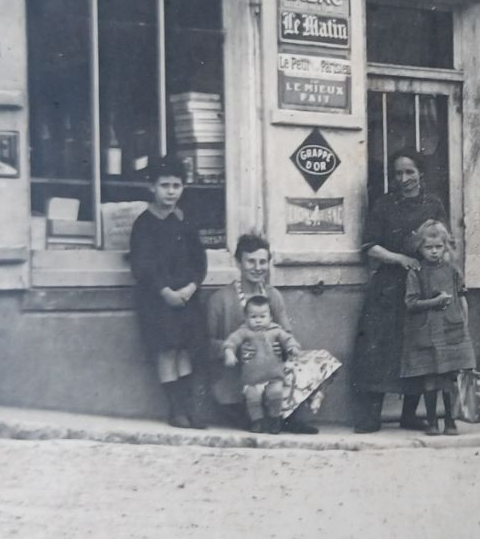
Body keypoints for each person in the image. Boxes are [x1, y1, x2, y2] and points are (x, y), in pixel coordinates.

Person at [354, 149, 449, 433]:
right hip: (388, 287)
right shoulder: (384, 205)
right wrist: (400, 259)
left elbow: (443, 242)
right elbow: (369, 245)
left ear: (421, 173)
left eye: (409, 172)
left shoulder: (433, 205)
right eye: (398, 173)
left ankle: (410, 413)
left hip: (421, 285)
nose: (404, 178)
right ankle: (371, 416)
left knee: (417, 347)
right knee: (377, 349)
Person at [204, 233, 337, 434]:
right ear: (238, 263)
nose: (258, 268)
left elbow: (287, 333)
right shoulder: (220, 299)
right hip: (237, 380)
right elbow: (205, 346)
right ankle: (273, 419)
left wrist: (282, 348)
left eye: (263, 262)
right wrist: (233, 352)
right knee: (249, 407)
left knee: (323, 360)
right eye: (251, 261)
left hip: (270, 373)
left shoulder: (272, 295)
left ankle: (281, 416)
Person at [128, 155, 209, 429]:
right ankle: (175, 410)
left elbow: (200, 261)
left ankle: (188, 409)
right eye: (165, 185)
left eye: (176, 185)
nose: (171, 191)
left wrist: (190, 287)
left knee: (184, 350)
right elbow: (142, 265)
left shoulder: (185, 222)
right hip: (157, 301)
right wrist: (165, 291)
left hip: (187, 299)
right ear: (152, 187)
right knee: (166, 350)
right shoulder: (144, 224)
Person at [400, 219, 476, 436]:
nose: (433, 252)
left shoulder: (452, 270)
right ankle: (432, 421)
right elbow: (411, 303)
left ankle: (450, 421)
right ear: (419, 248)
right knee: (430, 378)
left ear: (445, 246)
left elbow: (462, 298)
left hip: (452, 330)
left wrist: (464, 323)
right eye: (428, 247)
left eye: (438, 247)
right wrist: (434, 302)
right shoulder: (416, 272)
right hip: (427, 332)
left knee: (450, 378)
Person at [225, 295, 299, 434]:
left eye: (262, 316)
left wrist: (292, 348)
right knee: (253, 399)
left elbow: (288, 339)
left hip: (274, 376)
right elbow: (232, 342)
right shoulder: (244, 332)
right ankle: (257, 422)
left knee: (276, 394)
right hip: (252, 378)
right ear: (246, 318)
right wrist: (230, 353)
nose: (258, 321)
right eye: (253, 317)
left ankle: (274, 419)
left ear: (270, 317)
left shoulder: (276, 331)